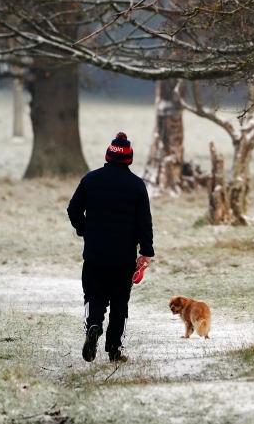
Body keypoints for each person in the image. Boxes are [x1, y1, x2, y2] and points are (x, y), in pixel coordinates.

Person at [67, 131, 154, 363]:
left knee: (94, 296)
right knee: (119, 304)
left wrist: (84, 229)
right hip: (123, 258)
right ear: (129, 159)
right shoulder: (136, 186)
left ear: (108, 156)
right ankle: (114, 349)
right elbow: (144, 221)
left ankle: (93, 326)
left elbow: (73, 210)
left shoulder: (90, 180)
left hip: (95, 255)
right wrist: (146, 251)